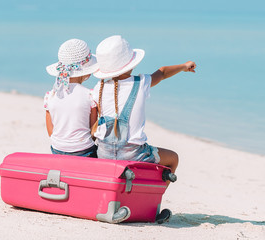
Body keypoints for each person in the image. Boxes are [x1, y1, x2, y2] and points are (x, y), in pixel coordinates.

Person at [91, 35, 196, 180]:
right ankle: (155, 199)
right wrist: (184, 66)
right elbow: (163, 72)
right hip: (134, 154)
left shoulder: (98, 88)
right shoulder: (140, 83)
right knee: (173, 158)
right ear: (132, 63)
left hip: (104, 153)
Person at [44, 39, 99, 157]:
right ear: (87, 72)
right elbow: (93, 131)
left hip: (57, 149)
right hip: (84, 150)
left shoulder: (50, 95)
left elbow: (51, 131)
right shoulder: (90, 95)